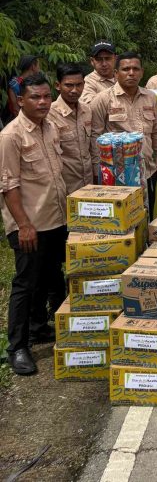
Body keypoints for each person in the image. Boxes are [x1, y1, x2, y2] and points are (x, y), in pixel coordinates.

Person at [0, 73, 68, 375]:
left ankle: (40, 328)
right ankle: (16, 346)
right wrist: (24, 224)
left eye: (45, 96)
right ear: (21, 100)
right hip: (29, 224)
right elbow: (8, 186)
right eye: (34, 97)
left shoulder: (50, 127)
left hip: (55, 218)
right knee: (25, 284)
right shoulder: (11, 135)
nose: (42, 102)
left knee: (51, 276)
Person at [91, 52, 157, 218]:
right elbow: (94, 137)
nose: (131, 73)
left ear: (141, 72)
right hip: (117, 176)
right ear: (116, 73)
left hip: (147, 171)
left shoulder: (151, 97)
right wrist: (99, 170)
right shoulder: (103, 99)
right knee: (121, 220)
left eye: (135, 69)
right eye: (126, 69)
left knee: (146, 218)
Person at [48, 63, 94, 194]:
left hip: (89, 184)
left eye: (79, 85)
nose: (74, 90)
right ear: (58, 85)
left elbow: (91, 147)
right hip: (65, 188)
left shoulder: (87, 110)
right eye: (69, 85)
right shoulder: (49, 115)